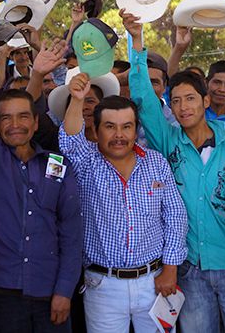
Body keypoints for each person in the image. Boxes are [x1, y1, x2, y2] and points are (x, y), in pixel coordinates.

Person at [121, 9, 225, 333]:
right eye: (177, 100)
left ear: (206, 101)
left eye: (191, 99)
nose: (183, 107)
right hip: (188, 269)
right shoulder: (167, 140)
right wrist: (138, 41)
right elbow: (142, 97)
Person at [0, 0, 82, 332]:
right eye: (6, 118)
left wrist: (65, 291)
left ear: (37, 122)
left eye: (24, 116)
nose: (16, 124)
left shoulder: (58, 165)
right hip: (1, 297)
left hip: (52, 293)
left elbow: (71, 233)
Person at [59, 72, 188, 333]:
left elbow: (175, 215)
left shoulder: (155, 162)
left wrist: (171, 269)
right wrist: (76, 99)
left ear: (135, 128)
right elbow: (70, 143)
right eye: (110, 126)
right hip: (103, 285)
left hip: (155, 282)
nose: (119, 134)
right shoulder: (87, 162)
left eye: (126, 126)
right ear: (95, 129)